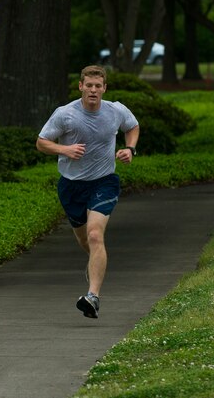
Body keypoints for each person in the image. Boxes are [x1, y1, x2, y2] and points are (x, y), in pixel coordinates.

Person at [36, 65, 139, 319]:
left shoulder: (115, 110)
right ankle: (95, 265)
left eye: (98, 86)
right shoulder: (65, 114)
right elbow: (41, 142)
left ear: (104, 88)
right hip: (71, 186)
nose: (93, 90)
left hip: (104, 181)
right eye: (89, 85)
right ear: (81, 86)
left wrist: (130, 149)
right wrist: (65, 150)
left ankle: (92, 296)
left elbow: (132, 126)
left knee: (95, 235)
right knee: (85, 240)